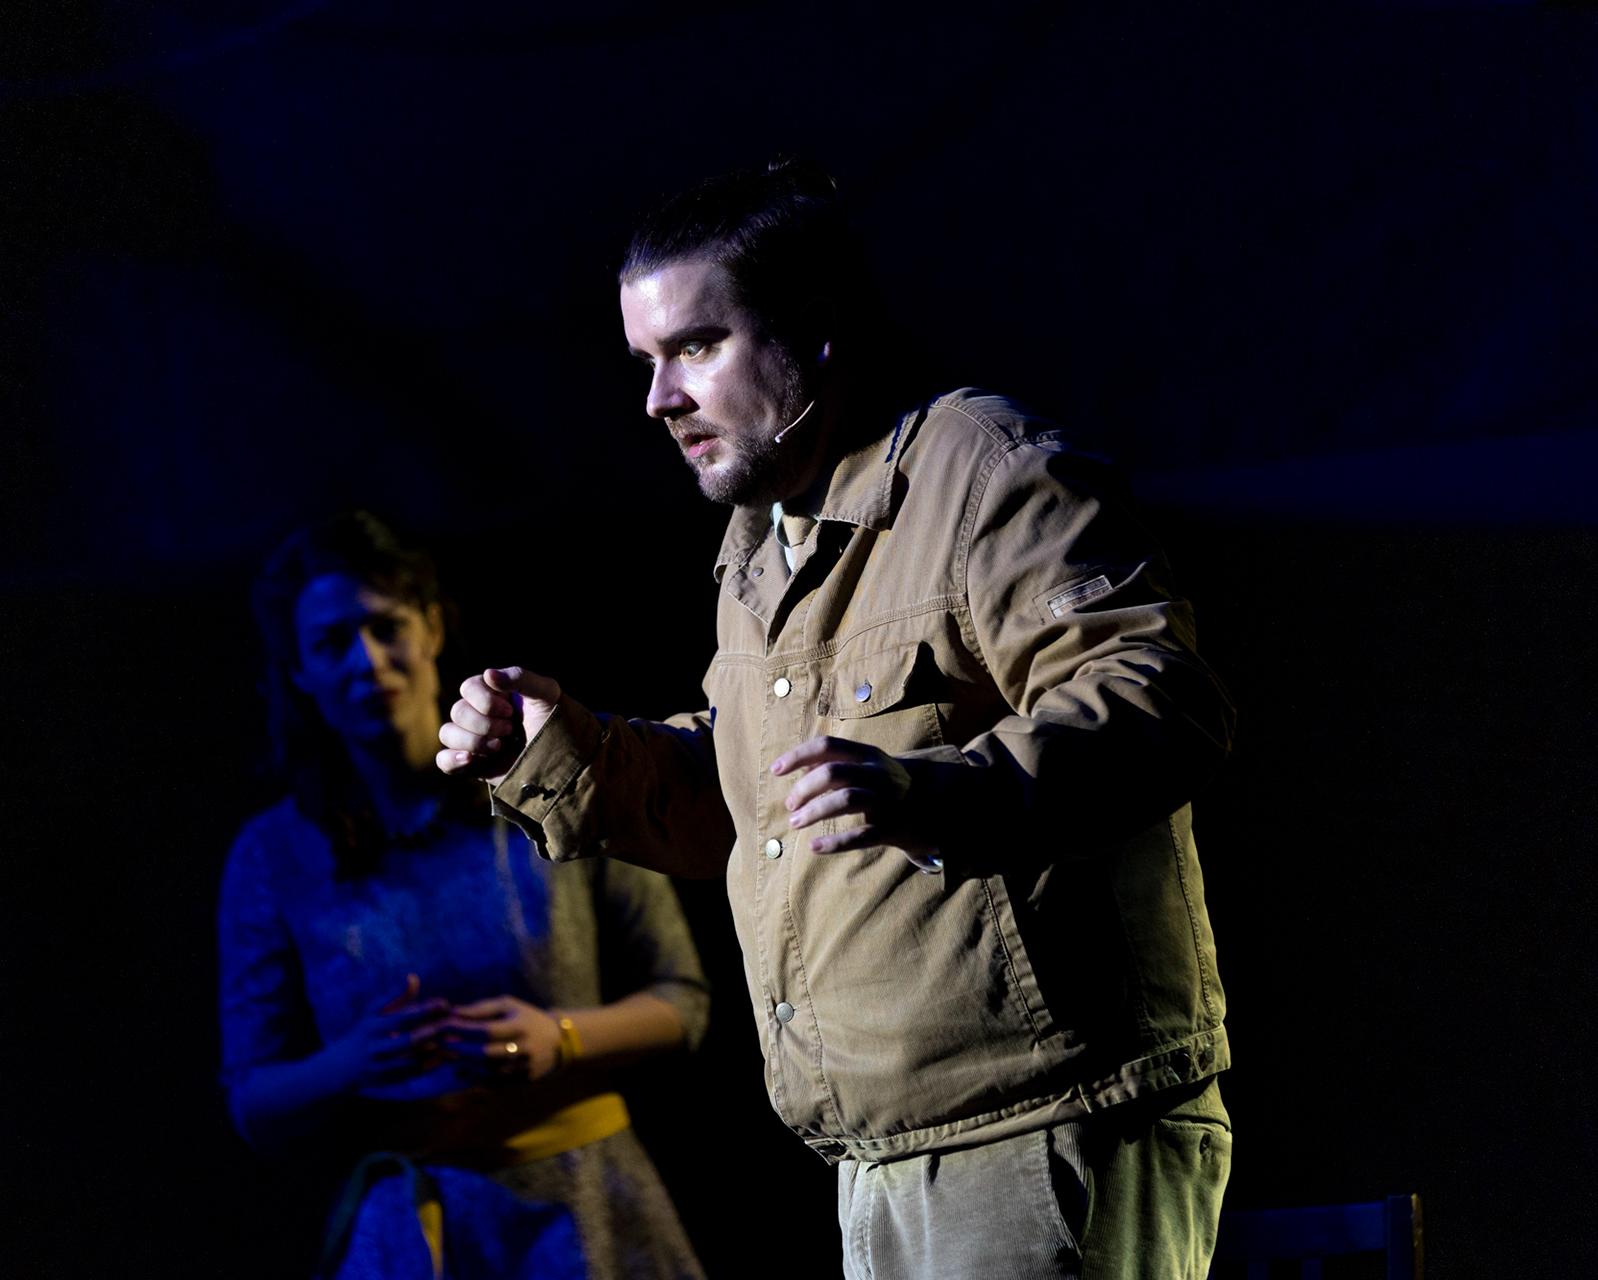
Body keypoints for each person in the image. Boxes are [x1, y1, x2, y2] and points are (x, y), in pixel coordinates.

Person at [435, 160, 1238, 1279]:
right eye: (646, 361)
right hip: (880, 1154)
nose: (659, 399)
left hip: (1047, 1125)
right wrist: (566, 753)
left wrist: (942, 791)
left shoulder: (984, 470)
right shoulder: (765, 543)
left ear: (816, 334)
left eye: (695, 347)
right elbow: (758, 801)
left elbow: (1158, 695)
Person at [219, 511, 709, 1280]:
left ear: (433, 627)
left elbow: (684, 1002)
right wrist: (353, 1060)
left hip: (589, 1213)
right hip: (411, 1238)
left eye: (386, 627)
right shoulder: (274, 855)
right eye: (331, 643)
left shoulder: (546, 788)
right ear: (300, 672)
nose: (366, 661)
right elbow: (254, 1101)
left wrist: (561, 1037)